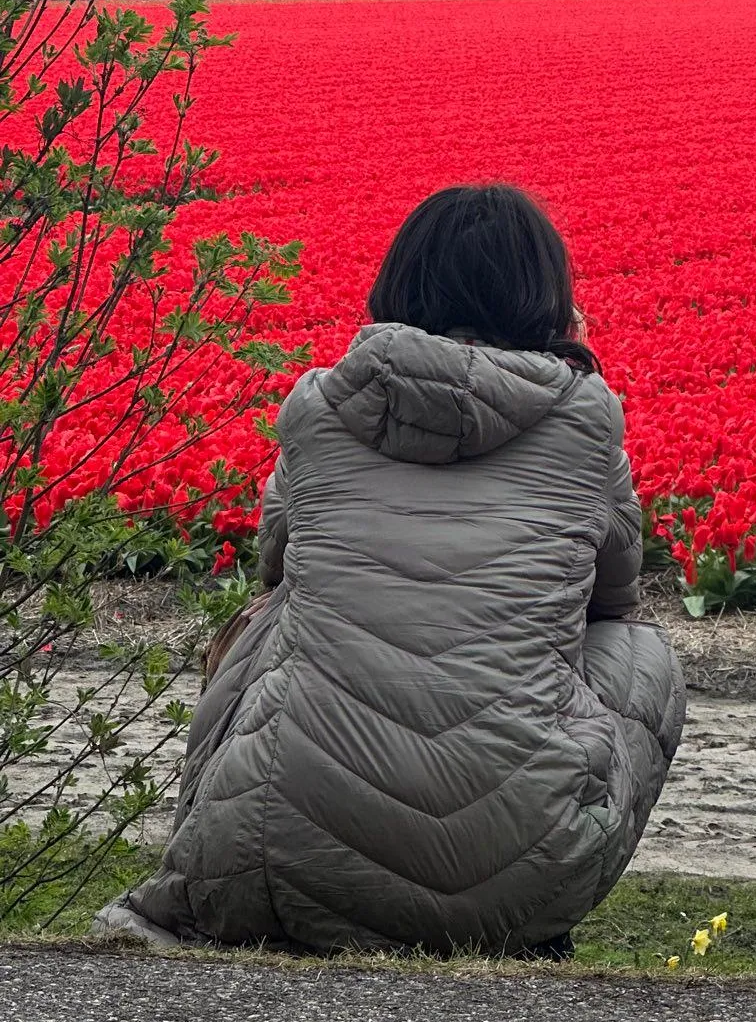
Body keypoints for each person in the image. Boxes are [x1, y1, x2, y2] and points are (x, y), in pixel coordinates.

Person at [111, 184, 685, 956]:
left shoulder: (318, 410)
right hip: (516, 877)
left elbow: (275, 562)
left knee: (270, 619)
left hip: (277, 848)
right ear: (545, 298)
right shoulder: (585, 419)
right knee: (642, 652)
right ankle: (539, 909)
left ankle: (208, 852)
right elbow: (611, 594)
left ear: (397, 286)